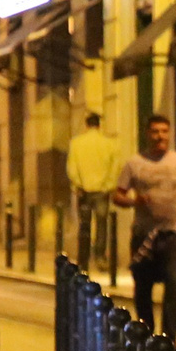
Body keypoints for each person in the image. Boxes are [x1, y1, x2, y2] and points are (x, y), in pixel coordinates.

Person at [112, 113, 176, 339]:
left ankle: (169, 339)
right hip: (144, 235)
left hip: (174, 234)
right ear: (147, 134)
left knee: (173, 284)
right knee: (143, 288)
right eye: (155, 131)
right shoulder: (135, 164)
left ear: (170, 133)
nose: (159, 136)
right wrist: (135, 201)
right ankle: (146, 336)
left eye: (164, 131)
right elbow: (117, 195)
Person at [66, 112, 120, 274]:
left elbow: (72, 168)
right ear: (99, 125)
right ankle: (100, 256)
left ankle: (83, 260)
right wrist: (108, 185)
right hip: (102, 191)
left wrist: (78, 184)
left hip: (84, 191)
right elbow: (114, 167)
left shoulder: (76, 143)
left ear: (86, 125)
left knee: (84, 225)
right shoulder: (109, 144)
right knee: (102, 224)